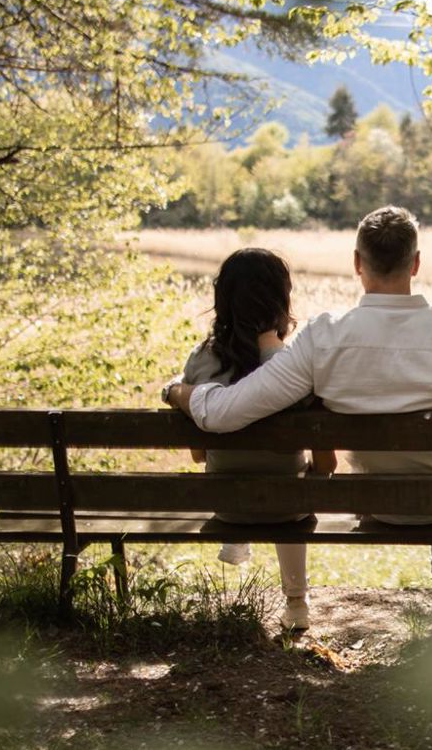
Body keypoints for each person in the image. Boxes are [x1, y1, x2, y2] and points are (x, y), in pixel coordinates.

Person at [163, 206, 432, 614]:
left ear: (357, 263)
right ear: (415, 263)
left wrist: (178, 392)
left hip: (381, 503)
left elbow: (221, 413)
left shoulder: (322, 338)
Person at [166, 247, 334, 633]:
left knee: (251, 479)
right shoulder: (294, 368)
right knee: (292, 486)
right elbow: (327, 463)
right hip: (287, 508)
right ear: (281, 300)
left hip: (227, 504)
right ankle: (296, 603)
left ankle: (237, 540)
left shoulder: (201, 360)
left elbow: (197, 454)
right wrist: (316, 475)